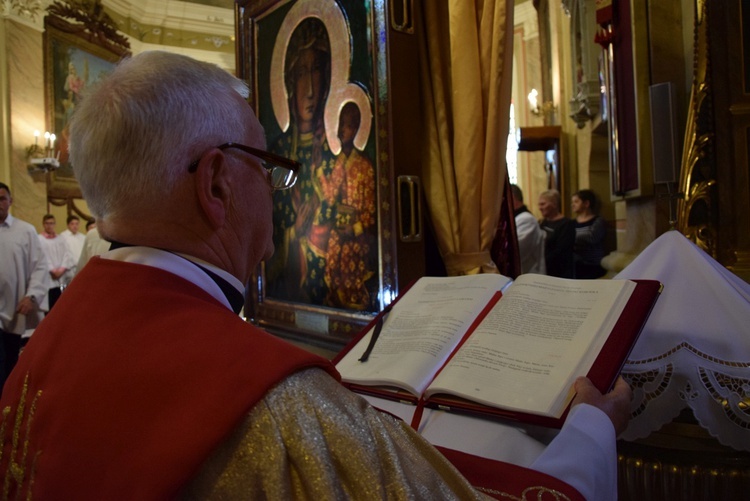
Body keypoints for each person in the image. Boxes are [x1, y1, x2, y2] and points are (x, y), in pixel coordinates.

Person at [0, 51, 631, 499]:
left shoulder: (49, 349)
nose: (277, 192)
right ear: (217, 183)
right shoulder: (271, 405)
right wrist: (591, 433)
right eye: (268, 166)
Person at [266, 17, 338, 306]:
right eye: (301, 73)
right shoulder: (276, 155)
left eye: (317, 71)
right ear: (288, 82)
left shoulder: (339, 153)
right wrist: (294, 235)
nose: (309, 89)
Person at [323, 102, 377, 309]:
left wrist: (354, 229)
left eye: (345, 126)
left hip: (358, 235)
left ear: (355, 130)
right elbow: (329, 197)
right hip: (340, 230)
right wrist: (318, 172)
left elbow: (371, 213)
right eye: (339, 125)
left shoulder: (365, 166)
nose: (339, 131)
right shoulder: (339, 164)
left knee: (348, 260)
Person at [0, 183, 49, 390]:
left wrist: (31, 296)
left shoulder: (25, 231)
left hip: (13, 310)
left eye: (2, 198)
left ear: (10, 201)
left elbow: (40, 266)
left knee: (9, 366)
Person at [37, 213, 76, 310]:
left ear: (55, 224)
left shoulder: (60, 239)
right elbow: (42, 256)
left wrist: (61, 269)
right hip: (48, 278)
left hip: (60, 278)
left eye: (52, 223)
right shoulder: (39, 239)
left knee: (59, 307)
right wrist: (53, 270)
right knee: (48, 308)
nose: (50, 225)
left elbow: (67, 255)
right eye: (47, 223)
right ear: (43, 224)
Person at [539, 189, 576, 279]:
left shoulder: (566, 224)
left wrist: (542, 261)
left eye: (543, 204)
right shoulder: (542, 222)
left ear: (554, 204)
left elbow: (561, 251)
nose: (540, 207)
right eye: (539, 204)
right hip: (544, 270)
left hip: (559, 273)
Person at [510, 184, 546, 275]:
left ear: (512, 198)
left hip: (528, 276)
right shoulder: (516, 218)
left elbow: (516, 251)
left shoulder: (526, 220)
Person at [572, 189, 607, 279]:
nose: (573, 205)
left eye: (576, 201)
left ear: (586, 203)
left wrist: (572, 237)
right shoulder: (572, 223)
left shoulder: (598, 221)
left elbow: (592, 237)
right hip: (577, 265)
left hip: (593, 266)